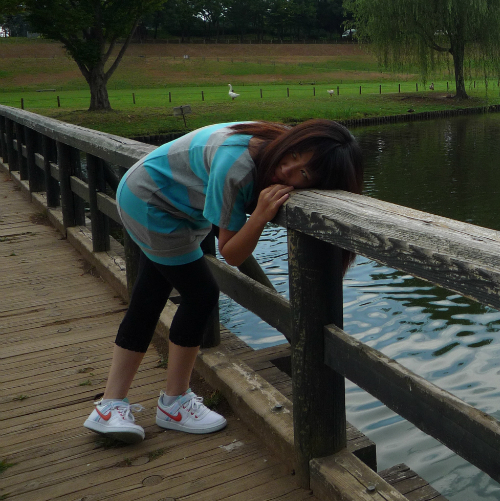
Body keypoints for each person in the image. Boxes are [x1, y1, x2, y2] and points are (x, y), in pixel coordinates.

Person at [83, 119, 363, 443]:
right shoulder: (238, 166)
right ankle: (171, 403)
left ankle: (115, 404)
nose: (289, 167)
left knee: (150, 296)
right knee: (200, 294)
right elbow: (231, 252)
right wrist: (258, 215)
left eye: (304, 173)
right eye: (296, 154)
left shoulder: (269, 148)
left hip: (161, 197)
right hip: (154, 204)